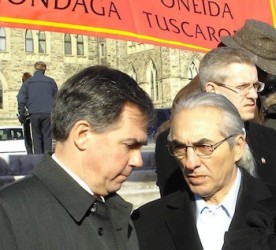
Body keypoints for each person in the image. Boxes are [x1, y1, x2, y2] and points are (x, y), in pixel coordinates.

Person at [0, 65, 154, 250]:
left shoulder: (118, 211)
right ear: (82, 135)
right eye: (130, 145)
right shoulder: (8, 216)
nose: (138, 161)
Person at [132, 92, 276, 250]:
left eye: (204, 147)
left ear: (238, 147)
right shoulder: (147, 222)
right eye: (180, 147)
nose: (190, 162)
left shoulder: (271, 208)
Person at [156, 25, 276, 196]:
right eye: (242, 87)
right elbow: (175, 208)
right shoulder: (175, 139)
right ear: (211, 88)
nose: (253, 95)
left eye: (256, 85)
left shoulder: (268, 137)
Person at [17, 61, 58, 154]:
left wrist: (22, 114)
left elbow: (21, 99)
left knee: (36, 138)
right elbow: (57, 98)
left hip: (34, 113)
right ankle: (47, 161)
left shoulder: (28, 82)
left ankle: (38, 161)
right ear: (44, 70)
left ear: (35, 69)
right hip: (48, 113)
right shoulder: (51, 82)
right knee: (47, 137)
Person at [17, 72, 33, 154]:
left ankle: (30, 156)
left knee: (28, 140)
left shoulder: (24, 87)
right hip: (37, 113)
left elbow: (21, 101)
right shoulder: (35, 87)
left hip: (27, 116)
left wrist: (21, 115)